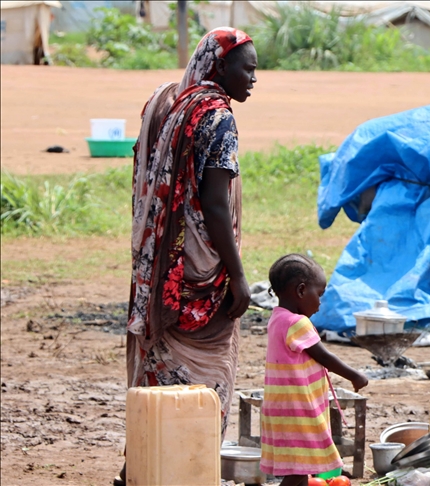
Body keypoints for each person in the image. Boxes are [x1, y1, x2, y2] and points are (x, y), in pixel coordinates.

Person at [119, 27, 257, 485]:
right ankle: (184, 470)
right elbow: (214, 204)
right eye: (247, 67)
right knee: (207, 381)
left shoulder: (175, 105)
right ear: (220, 67)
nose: (254, 78)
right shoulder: (216, 117)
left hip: (165, 268)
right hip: (201, 270)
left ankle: (139, 467)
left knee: (158, 378)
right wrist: (237, 276)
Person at [260, 254, 369, 486]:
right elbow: (324, 356)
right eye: (319, 295)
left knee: (298, 470)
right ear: (301, 290)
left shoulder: (277, 319)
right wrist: (355, 375)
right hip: (297, 410)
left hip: (281, 407)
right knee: (298, 472)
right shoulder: (297, 323)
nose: (320, 303)